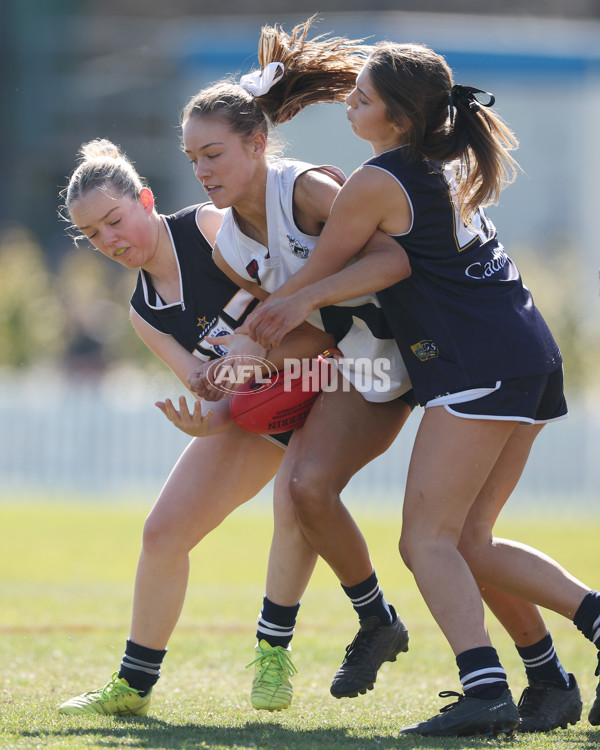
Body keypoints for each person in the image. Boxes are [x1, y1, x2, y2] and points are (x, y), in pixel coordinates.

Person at [239, 28, 600, 737]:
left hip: (479, 363)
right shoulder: (446, 156)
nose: (351, 106)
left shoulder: (378, 180)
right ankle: (548, 682)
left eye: (362, 99)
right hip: (527, 353)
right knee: (470, 540)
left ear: (399, 120)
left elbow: (322, 271)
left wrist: (281, 308)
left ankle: (485, 690)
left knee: (426, 541)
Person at [55, 130, 409, 714]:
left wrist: (253, 367)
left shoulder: (210, 227)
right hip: (266, 400)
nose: (109, 240)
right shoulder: (145, 311)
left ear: (145, 200)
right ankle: (133, 686)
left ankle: (274, 655)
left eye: (115, 221)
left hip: (330, 371)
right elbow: (222, 389)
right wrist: (208, 421)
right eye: (93, 236)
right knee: (162, 532)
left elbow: (317, 309)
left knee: (296, 497)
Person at [174, 18, 418, 709]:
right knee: (304, 492)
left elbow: (397, 258)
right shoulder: (228, 249)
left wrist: (269, 332)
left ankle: (520, 664)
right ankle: (375, 621)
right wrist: (233, 381)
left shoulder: (305, 190)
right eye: (194, 159)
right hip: (351, 365)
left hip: (407, 353)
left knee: (442, 538)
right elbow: (306, 335)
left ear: (258, 144)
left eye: (215, 154)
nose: (203, 171)